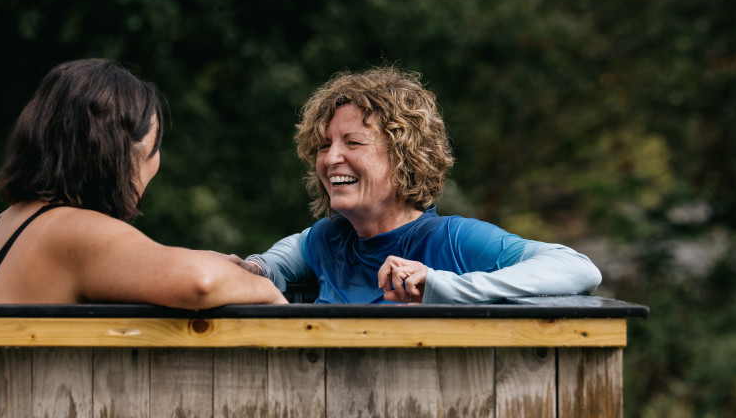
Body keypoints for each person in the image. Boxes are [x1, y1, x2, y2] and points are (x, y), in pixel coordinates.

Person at [0, 58, 287, 307]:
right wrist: (264, 289)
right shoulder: (76, 232)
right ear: (123, 151)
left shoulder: (12, 225)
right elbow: (199, 282)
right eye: (155, 145)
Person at [230, 66, 601, 304]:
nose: (329, 159)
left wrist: (440, 287)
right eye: (324, 145)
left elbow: (578, 269)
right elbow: (276, 261)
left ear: (404, 155)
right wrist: (253, 270)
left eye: (353, 142)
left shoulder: (452, 239)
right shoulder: (326, 239)